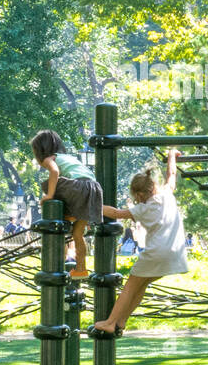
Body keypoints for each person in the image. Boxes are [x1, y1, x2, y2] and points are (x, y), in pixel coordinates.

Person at [92, 150, 188, 335]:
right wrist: (171, 156)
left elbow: (116, 213)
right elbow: (172, 175)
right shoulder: (167, 194)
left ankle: (111, 322)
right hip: (176, 253)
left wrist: (89, 203)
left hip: (156, 253)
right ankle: (122, 320)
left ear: (139, 194)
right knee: (142, 285)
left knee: (130, 287)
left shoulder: (143, 208)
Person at [31, 130, 103, 279]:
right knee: (78, 234)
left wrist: (49, 195)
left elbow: (55, 172)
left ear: (40, 151)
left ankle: (67, 215)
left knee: (49, 185)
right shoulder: (67, 157)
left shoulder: (49, 159)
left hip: (79, 187)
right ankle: (81, 269)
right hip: (93, 189)